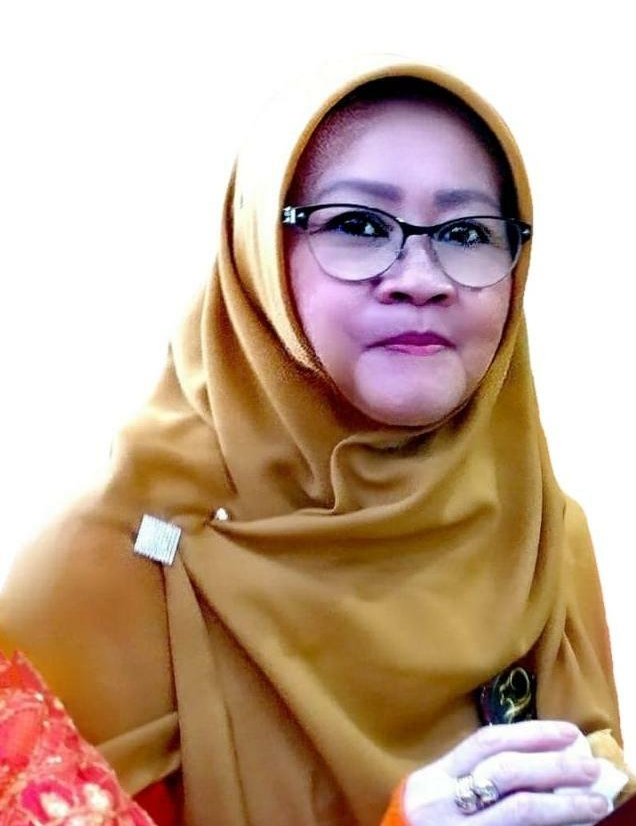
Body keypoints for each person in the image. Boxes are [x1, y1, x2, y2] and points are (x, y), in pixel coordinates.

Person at [0, 54, 633, 826]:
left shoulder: (540, 534)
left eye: (468, 232)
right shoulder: (104, 572)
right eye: (359, 225)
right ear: (259, 253)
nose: (421, 277)